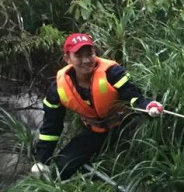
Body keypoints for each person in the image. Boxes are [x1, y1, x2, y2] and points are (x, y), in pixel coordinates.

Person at [31, 33, 163, 179]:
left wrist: (149, 106)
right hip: (95, 131)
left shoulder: (112, 72)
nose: (86, 60)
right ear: (67, 59)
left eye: (90, 54)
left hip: (125, 125)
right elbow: (51, 126)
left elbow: (134, 97)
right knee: (62, 168)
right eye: (78, 56)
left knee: (141, 160)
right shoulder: (57, 89)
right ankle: (90, 182)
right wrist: (42, 160)